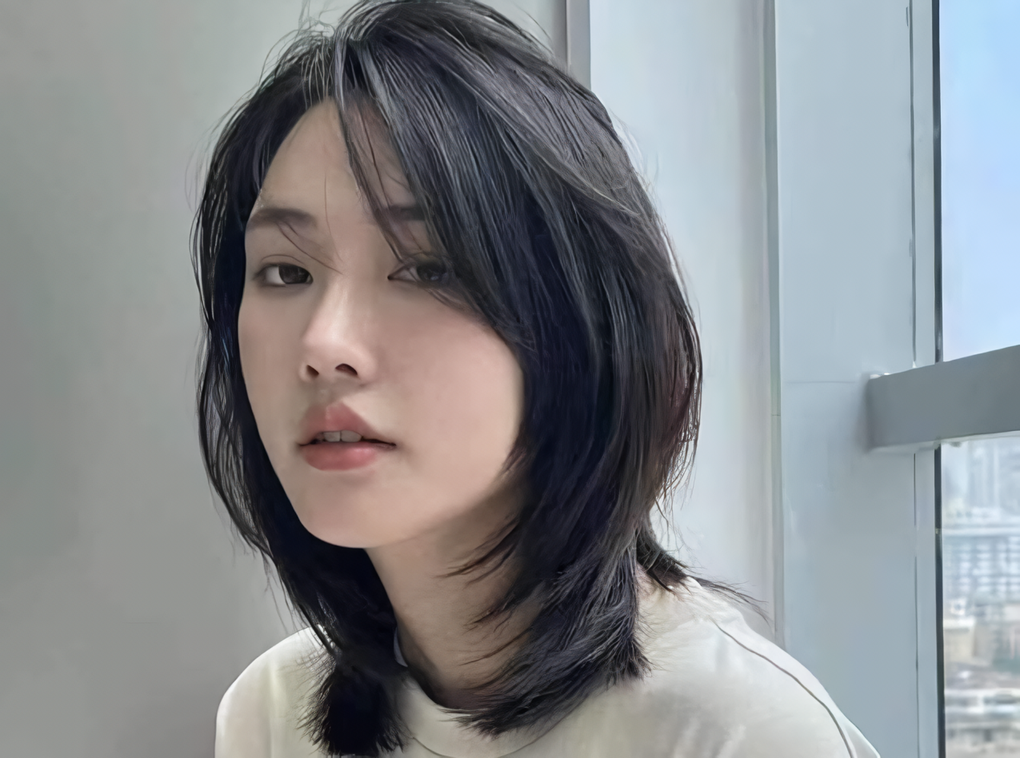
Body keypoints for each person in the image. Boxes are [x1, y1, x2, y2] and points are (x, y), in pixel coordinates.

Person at [192, 0, 881, 755]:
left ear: (578, 321)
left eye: (427, 268)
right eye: (286, 272)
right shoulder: (272, 713)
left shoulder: (738, 735)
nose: (324, 344)